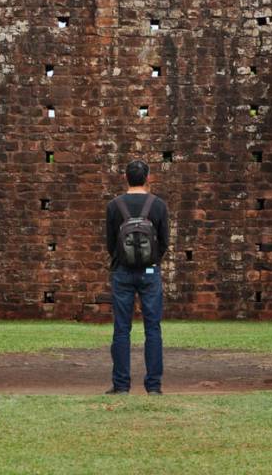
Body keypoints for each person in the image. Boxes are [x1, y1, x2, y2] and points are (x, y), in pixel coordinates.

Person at [105, 159, 169, 395]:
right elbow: (164, 242)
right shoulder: (158, 205)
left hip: (122, 272)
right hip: (150, 272)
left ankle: (121, 385)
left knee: (122, 328)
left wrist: (124, 260)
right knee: (153, 328)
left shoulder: (114, 206)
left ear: (125, 178)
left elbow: (110, 243)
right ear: (148, 178)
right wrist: (150, 261)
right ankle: (153, 386)